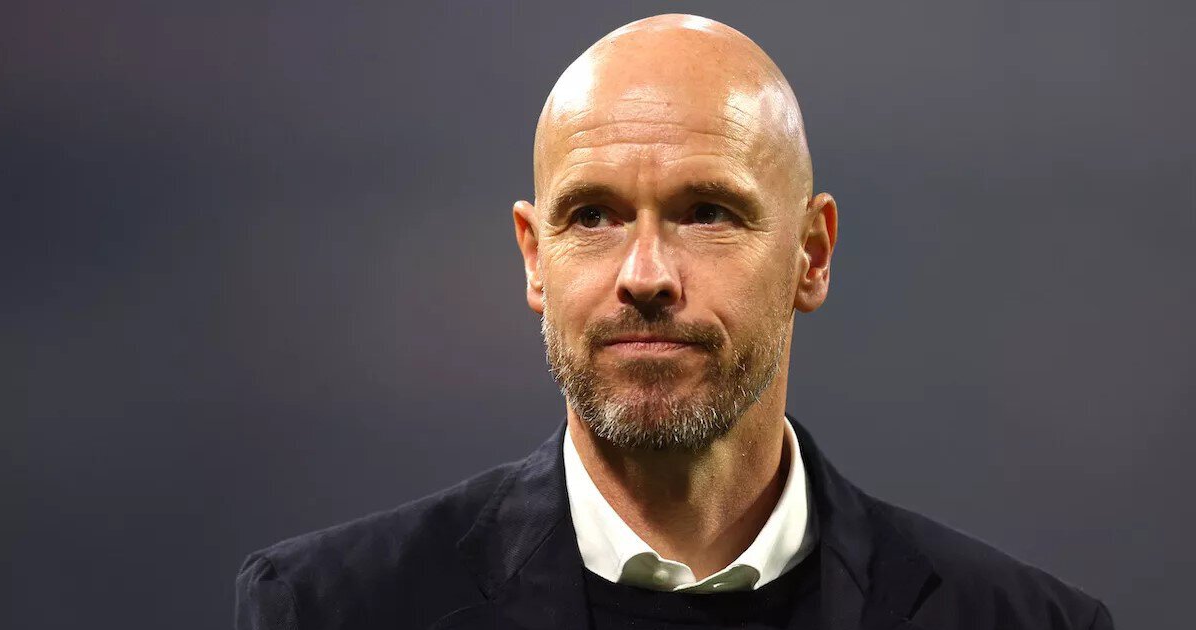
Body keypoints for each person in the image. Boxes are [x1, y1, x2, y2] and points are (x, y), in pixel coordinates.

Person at [235, 14, 1114, 630]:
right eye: (593, 216)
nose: (645, 276)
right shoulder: (329, 609)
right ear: (535, 258)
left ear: (811, 254)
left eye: (706, 213)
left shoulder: (1027, 622)